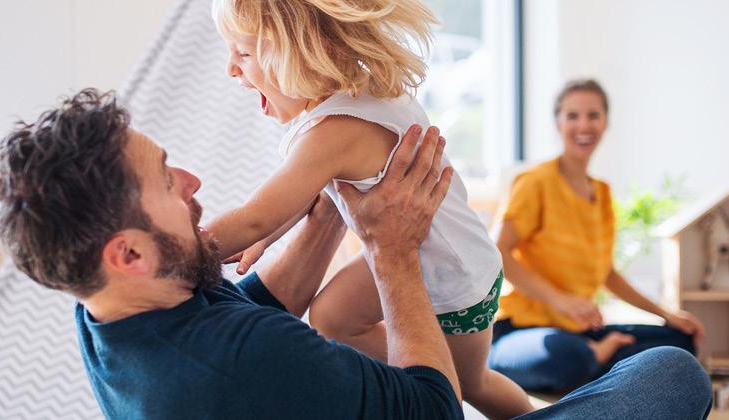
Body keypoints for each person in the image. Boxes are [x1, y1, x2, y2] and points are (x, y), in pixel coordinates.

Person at [0, 88, 711, 419]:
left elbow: (252, 301)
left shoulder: (109, 312)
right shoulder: (235, 365)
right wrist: (391, 251)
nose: (193, 182)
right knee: (670, 376)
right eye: (167, 182)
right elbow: (436, 408)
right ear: (130, 254)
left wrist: (336, 199)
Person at [205, 1, 529, 416]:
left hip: (455, 276)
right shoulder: (350, 95)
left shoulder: (336, 131)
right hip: (420, 254)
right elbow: (293, 196)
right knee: (330, 318)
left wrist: (182, 251)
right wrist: (267, 237)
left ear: (300, 51)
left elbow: (256, 214)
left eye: (243, 53)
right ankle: (407, 373)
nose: (231, 69)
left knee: (471, 385)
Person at [488, 79, 708, 393]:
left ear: (605, 122)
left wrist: (667, 314)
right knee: (567, 357)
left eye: (593, 115)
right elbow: (498, 252)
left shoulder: (602, 194)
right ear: (558, 123)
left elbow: (607, 274)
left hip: (580, 332)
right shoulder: (534, 183)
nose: (583, 125)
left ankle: (600, 356)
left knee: (679, 342)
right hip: (520, 332)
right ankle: (598, 359)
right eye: (572, 116)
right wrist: (561, 300)